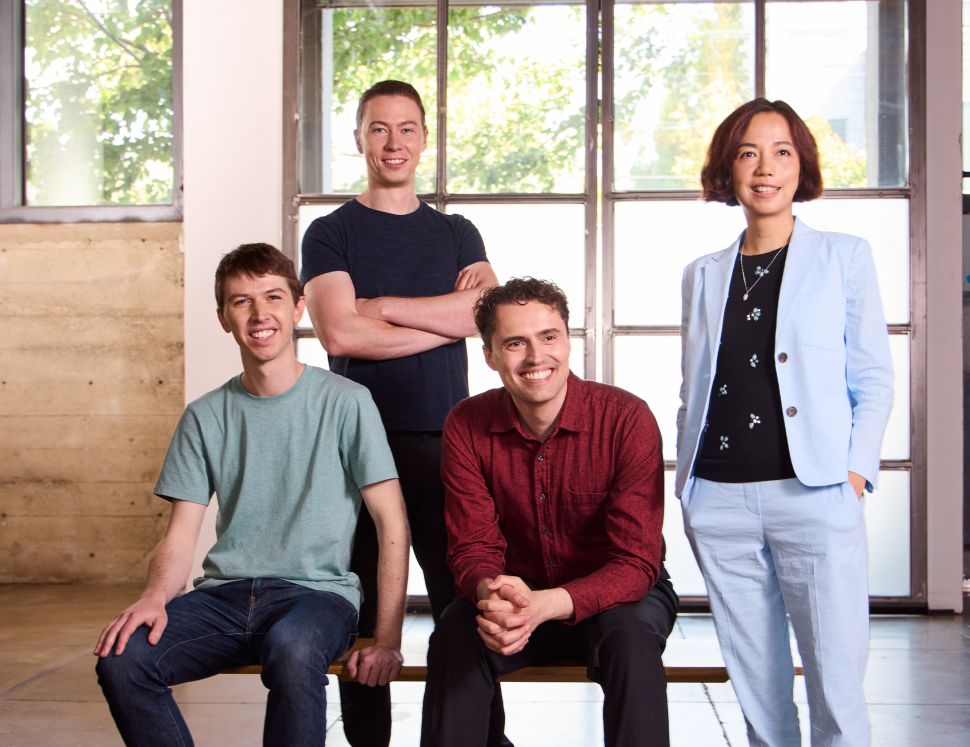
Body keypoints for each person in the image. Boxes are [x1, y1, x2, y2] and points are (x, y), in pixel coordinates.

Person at [94, 243, 410, 747]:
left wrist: (389, 639)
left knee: (292, 645)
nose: (260, 314)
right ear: (223, 317)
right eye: (242, 302)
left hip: (318, 596)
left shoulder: (347, 402)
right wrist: (155, 597)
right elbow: (182, 530)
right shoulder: (204, 415)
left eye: (273, 297)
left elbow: (391, 523)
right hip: (224, 596)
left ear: (298, 306)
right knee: (124, 658)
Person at [676, 99, 893, 746]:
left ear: (802, 166)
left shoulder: (843, 257)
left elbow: (874, 378)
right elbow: (695, 385)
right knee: (757, 687)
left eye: (781, 152)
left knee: (836, 682)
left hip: (818, 491)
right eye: (748, 152)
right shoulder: (702, 274)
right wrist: (688, 493)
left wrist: (854, 474)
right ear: (728, 168)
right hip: (718, 497)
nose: (764, 167)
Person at [301, 80, 508, 746]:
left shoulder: (455, 230)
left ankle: (479, 736)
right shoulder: (330, 233)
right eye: (379, 128)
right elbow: (340, 335)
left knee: (462, 599)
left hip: (446, 445)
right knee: (362, 605)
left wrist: (382, 304)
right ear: (359, 138)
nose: (394, 142)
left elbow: (487, 314)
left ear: (425, 139)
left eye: (407, 128)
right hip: (357, 446)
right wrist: (448, 319)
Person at [421, 277, 679, 747]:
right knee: (457, 633)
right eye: (515, 343)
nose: (537, 357)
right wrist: (492, 591)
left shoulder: (626, 419)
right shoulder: (465, 423)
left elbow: (636, 563)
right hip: (518, 597)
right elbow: (472, 547)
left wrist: (547, 604)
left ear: (567, 340)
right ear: (491, 357)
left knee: (630, 638)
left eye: (548, 337)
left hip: (620, 596)